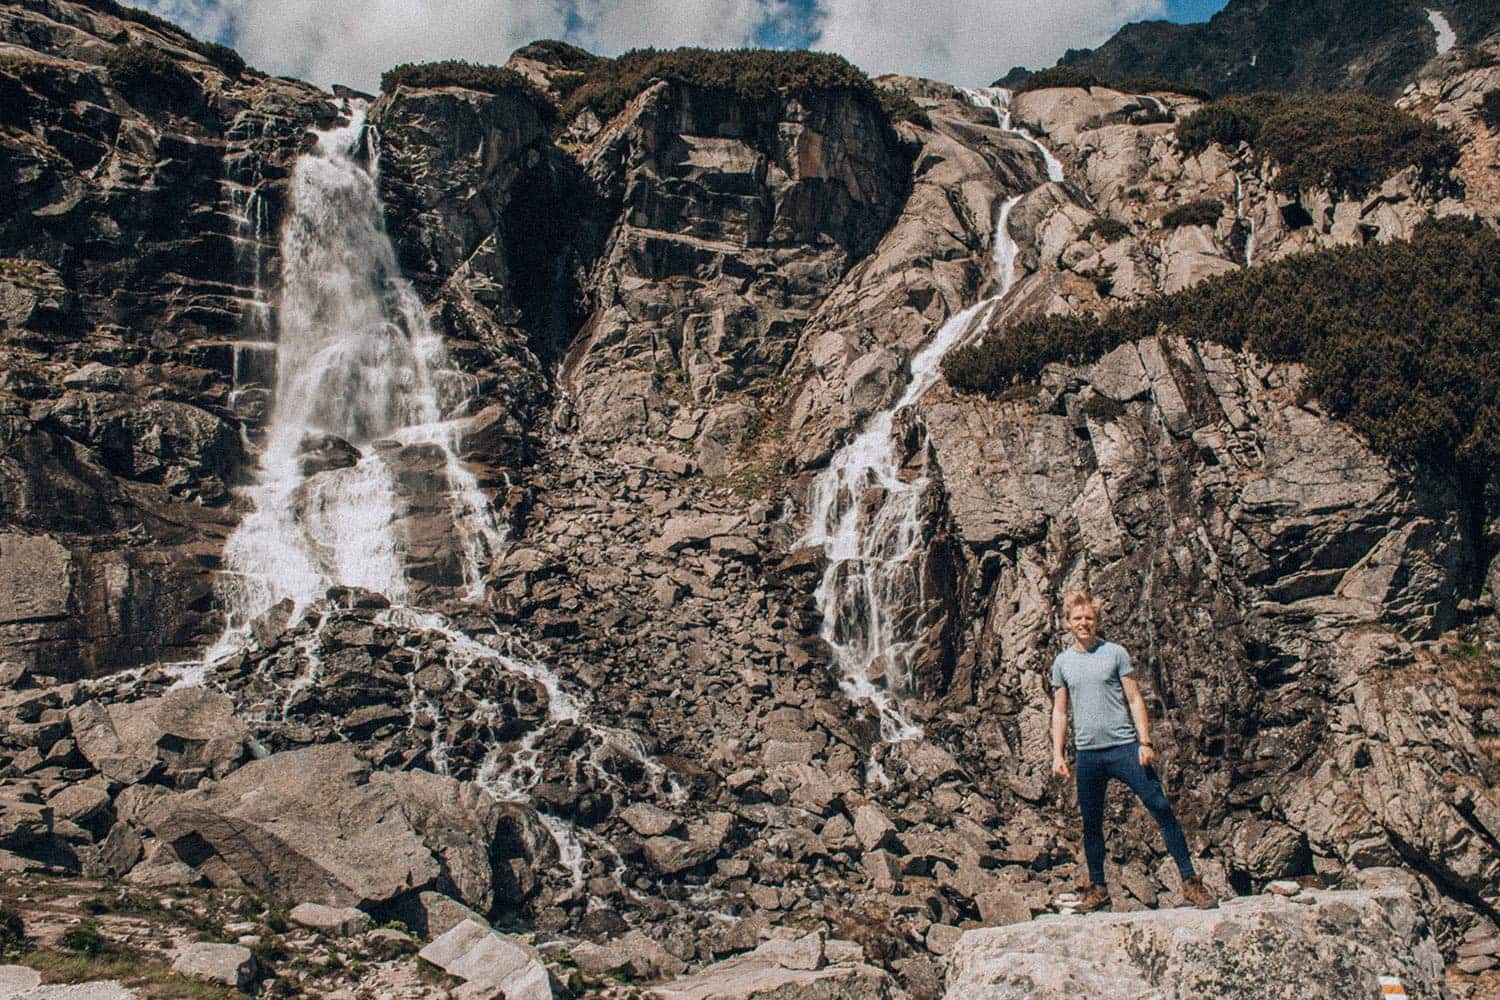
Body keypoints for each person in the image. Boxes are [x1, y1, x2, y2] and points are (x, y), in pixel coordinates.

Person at [1049, 590, 1215, 911]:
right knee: (1091, 823)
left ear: (1097, 621)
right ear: (1068, 622)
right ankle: (1098, 888)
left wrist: (1145, 742)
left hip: (1125, 747)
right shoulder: (1063, 663)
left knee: (1160, 806)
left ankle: (1191, 882)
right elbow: (1059, 711)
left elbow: (1135, 699)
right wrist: (1058, 754)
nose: (1084, 623)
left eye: (1089, 618)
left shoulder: (1115, 653)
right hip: (1088, 754)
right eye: (1078, 618)